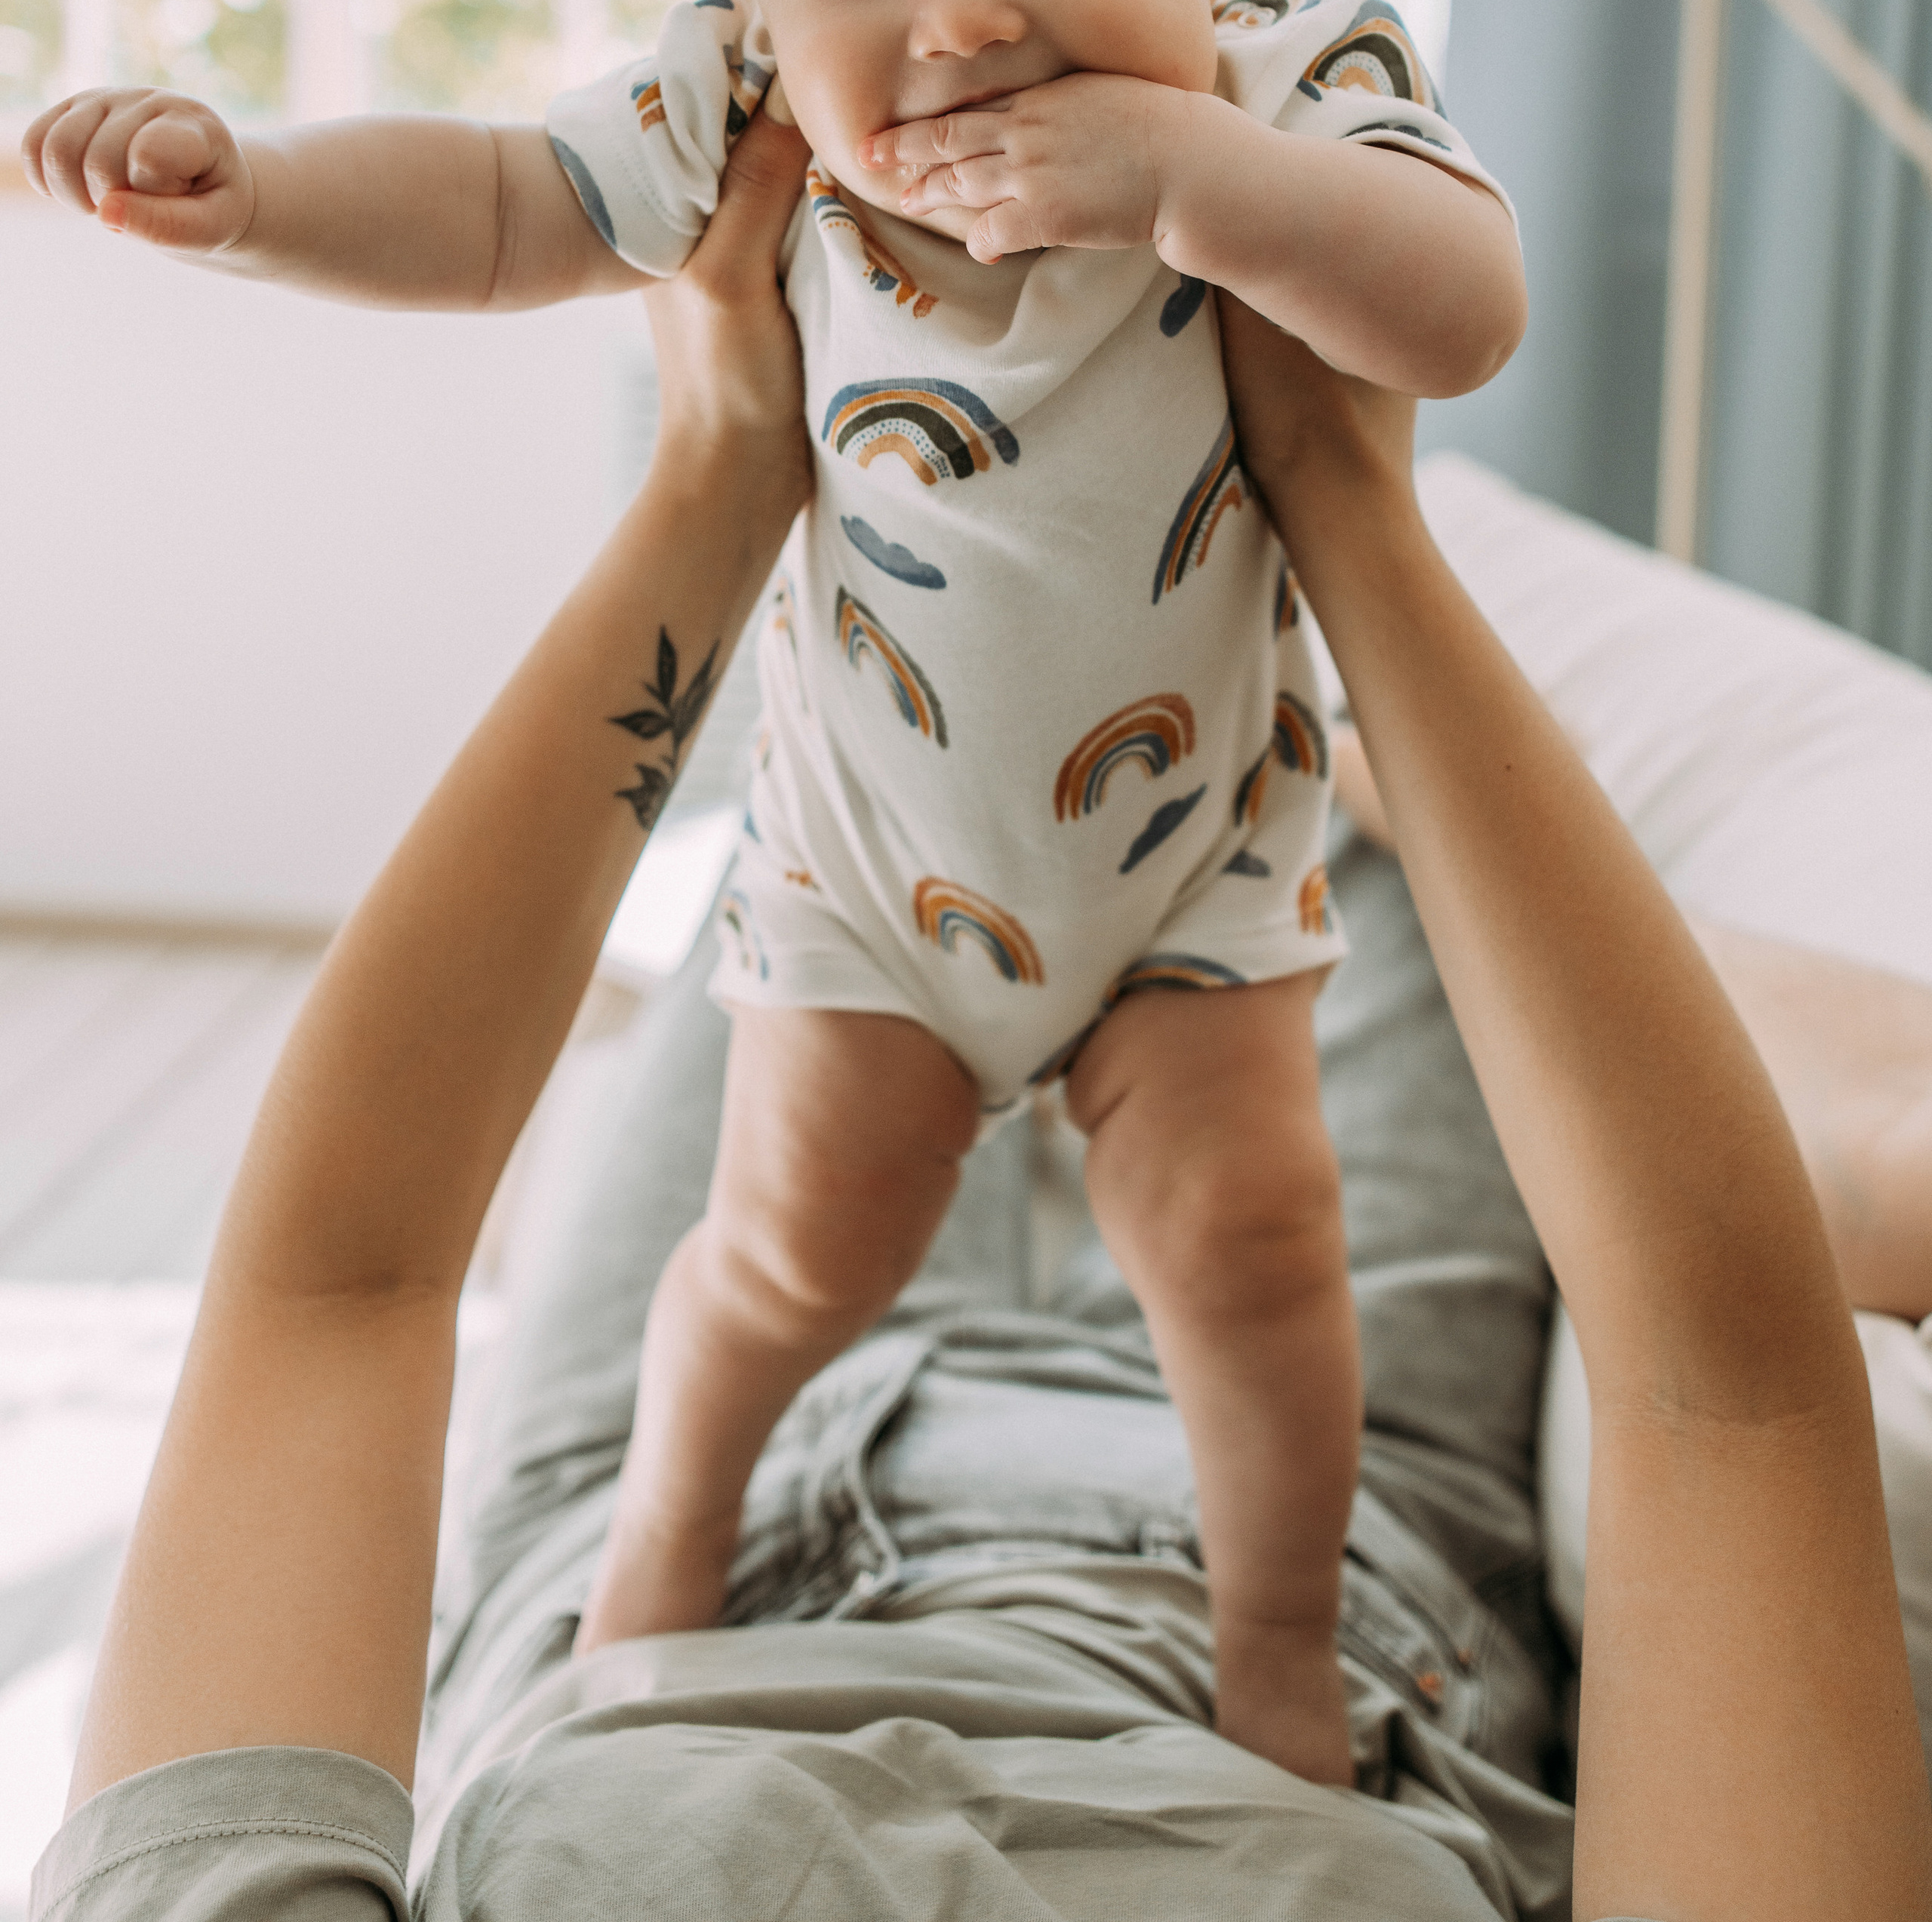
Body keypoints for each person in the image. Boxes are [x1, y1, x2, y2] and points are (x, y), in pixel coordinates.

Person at [29, 106, 1931, 1920]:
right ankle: (1331, 749)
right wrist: (1347, 518)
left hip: (665, 1572)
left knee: (855, 804)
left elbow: (340, 1279)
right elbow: (1725, 1395)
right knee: (1351, 877)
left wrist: (721, 483)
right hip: (1320, 1605)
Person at [22, 0, 1526, 1785]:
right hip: (869, 885)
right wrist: (254, 200)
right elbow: (508, 208)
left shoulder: (1289, 81)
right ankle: (671, 1520)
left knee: (1260, 1262)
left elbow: (1464, 304)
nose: (960, 15)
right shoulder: (751, 110)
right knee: (778, 1263)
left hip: (1193, 878)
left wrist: (1190, 187)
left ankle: (1280, 1641)